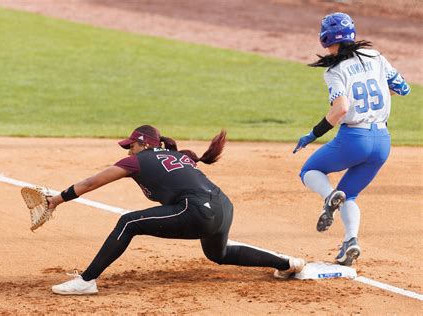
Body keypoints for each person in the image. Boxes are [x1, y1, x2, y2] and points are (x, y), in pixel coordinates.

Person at [47, 125, 305, 295]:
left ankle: (86, 281)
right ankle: (285, 263)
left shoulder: (137, 161)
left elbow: (90, 182)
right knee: (219, 253)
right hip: (223, 207)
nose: (129, 150)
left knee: (128, 222)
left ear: (144, 145)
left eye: (131, 145)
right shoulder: (181, 156)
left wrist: (58, 199)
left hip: (198, 211)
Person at [293, 12, 411, 266]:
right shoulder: (376, 56)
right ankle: (350, 241)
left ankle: (328, 196)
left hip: (354, 139)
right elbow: (403, 88)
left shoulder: (335, 71)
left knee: (310, 170)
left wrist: (313, 134)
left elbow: (341, 109)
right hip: (382, 141)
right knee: (350, 195)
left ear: (325, 38)